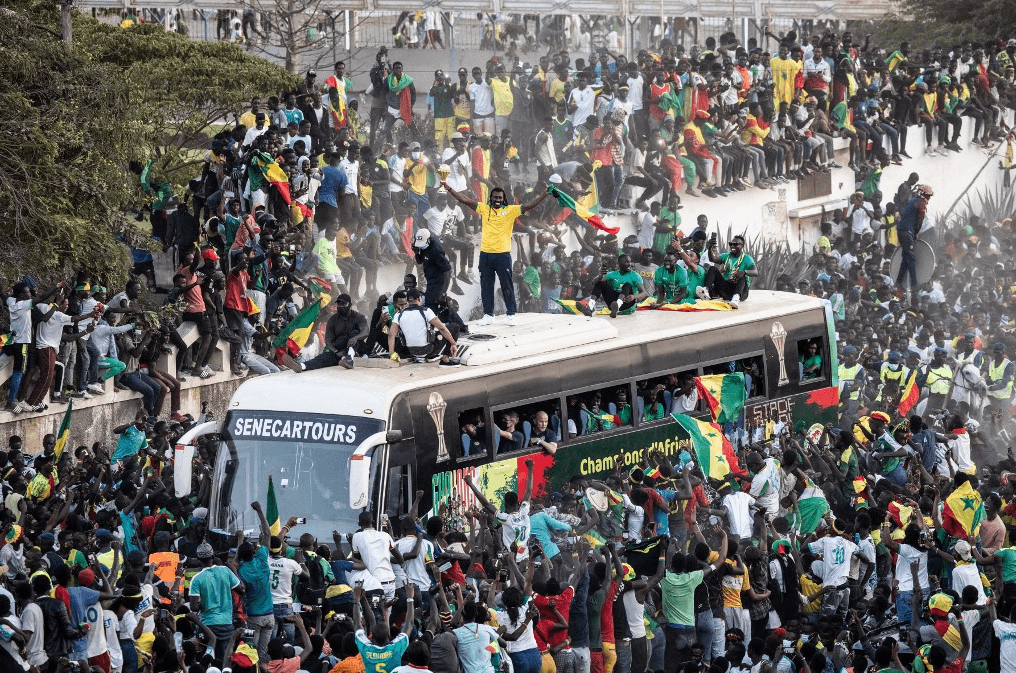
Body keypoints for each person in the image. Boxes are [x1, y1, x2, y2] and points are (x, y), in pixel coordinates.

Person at [443, 183, 549, 326]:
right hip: (486, 255)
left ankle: (511, 314)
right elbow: (465, 199)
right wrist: (449, 188)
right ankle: (488, 315)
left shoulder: (511, 210)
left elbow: (530, 205)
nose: (497, 199)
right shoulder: (484, 209)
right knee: (486, 285)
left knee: (507, 285)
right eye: (494, 197)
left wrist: (545, 193)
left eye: (500, 197)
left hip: (503, 255)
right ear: (490, 198)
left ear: (503, 199)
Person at [283, 294, 367, 372]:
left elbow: (365, 331)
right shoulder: (333, 319)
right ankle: (301, 366)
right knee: (322, 358)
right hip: (340, 350)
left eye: (344, 304)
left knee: (355, 333)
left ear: (350, 305)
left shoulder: (358, 317)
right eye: (339, 304)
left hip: (355, 348)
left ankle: (349, 358)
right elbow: (328, 340)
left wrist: (355, 338)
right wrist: (335, 352)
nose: (341, 306)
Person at [387, 288, 459, 365]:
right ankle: (445, 358)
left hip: (411, 351)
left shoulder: (399, 314)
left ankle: (423, 357)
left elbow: (391, 334)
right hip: (428, 350)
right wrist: (453, 343)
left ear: (407, 301)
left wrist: (391, 354)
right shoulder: (426, 311)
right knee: (454, 327)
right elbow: (442, 328)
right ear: (419, 299)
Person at [704, 235, 757, 305]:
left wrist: (744, 272)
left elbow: (755, 272)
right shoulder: (727, 256)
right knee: (712, 269)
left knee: (742, 275)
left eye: (735, 244)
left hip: (741, 291)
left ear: (742, 246)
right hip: (727, 289)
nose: (732, 246)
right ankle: (705, 291)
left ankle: (736, 298)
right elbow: (712, 259)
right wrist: (710, 247)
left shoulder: (747, 258)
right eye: (730, 244)